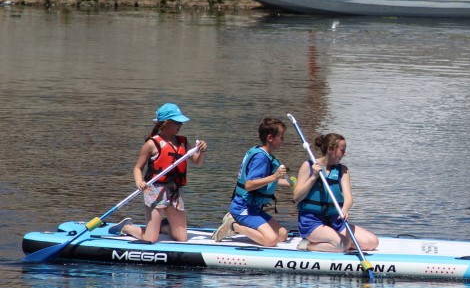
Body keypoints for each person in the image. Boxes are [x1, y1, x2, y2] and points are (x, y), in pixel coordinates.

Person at [109, 103, 207, 242]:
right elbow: (137, 168)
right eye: (177, 122)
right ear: (166, 123)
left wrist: (202, 150)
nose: (180, 124)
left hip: (175, 191)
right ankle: (126, 228)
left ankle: (164, 227)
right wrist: (139, 182)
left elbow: (198, 162)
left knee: (181, 238)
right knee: (150, 239)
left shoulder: (183, 142)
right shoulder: (152, 144)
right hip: (154, 191)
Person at [212, 117, 293, 247]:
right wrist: (275, 177)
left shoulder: (261, 152)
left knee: (282, 235)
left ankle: (240, 224)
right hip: (242, 207)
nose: (283, 140)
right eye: (281, 137)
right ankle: (233, 225)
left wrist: (287, 182)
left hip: (253, 208)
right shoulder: (261, 158)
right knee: (271, 240)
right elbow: (249, 185)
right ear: (270, 138)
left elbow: (262, 181)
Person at [292, 132, 379, 253]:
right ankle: (308, 245)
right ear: (331, 150)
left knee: (372, 242)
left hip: (335, 221)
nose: (345, 154)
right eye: (342, 150)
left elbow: (348, 197)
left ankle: (333, 243)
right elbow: (296, 197)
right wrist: (313, 177)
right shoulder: (308, 166)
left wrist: (345, 209)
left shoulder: (343, 170)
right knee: (343, 244)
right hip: (312, 222)